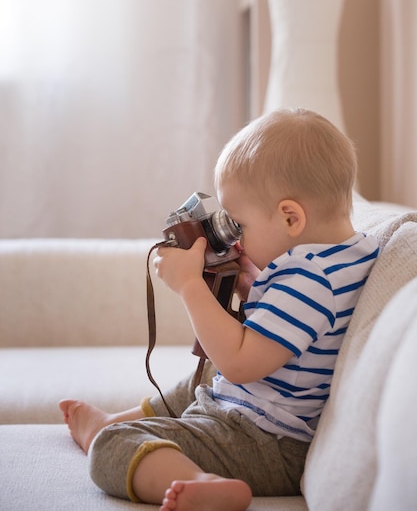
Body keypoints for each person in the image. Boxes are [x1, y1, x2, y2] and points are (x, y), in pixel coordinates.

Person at [60, 108, 379, 511]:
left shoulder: (308, 278)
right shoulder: (348, 255)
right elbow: (294, 338)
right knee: (206, 371)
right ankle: (118, 418)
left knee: (112, 448)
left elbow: (240, 365)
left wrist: (190, 286)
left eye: (239, 225)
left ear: (291, 217)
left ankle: (196, 480)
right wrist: (254, 290)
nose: (234, 239)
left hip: (264, 442)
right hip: (263, 421)